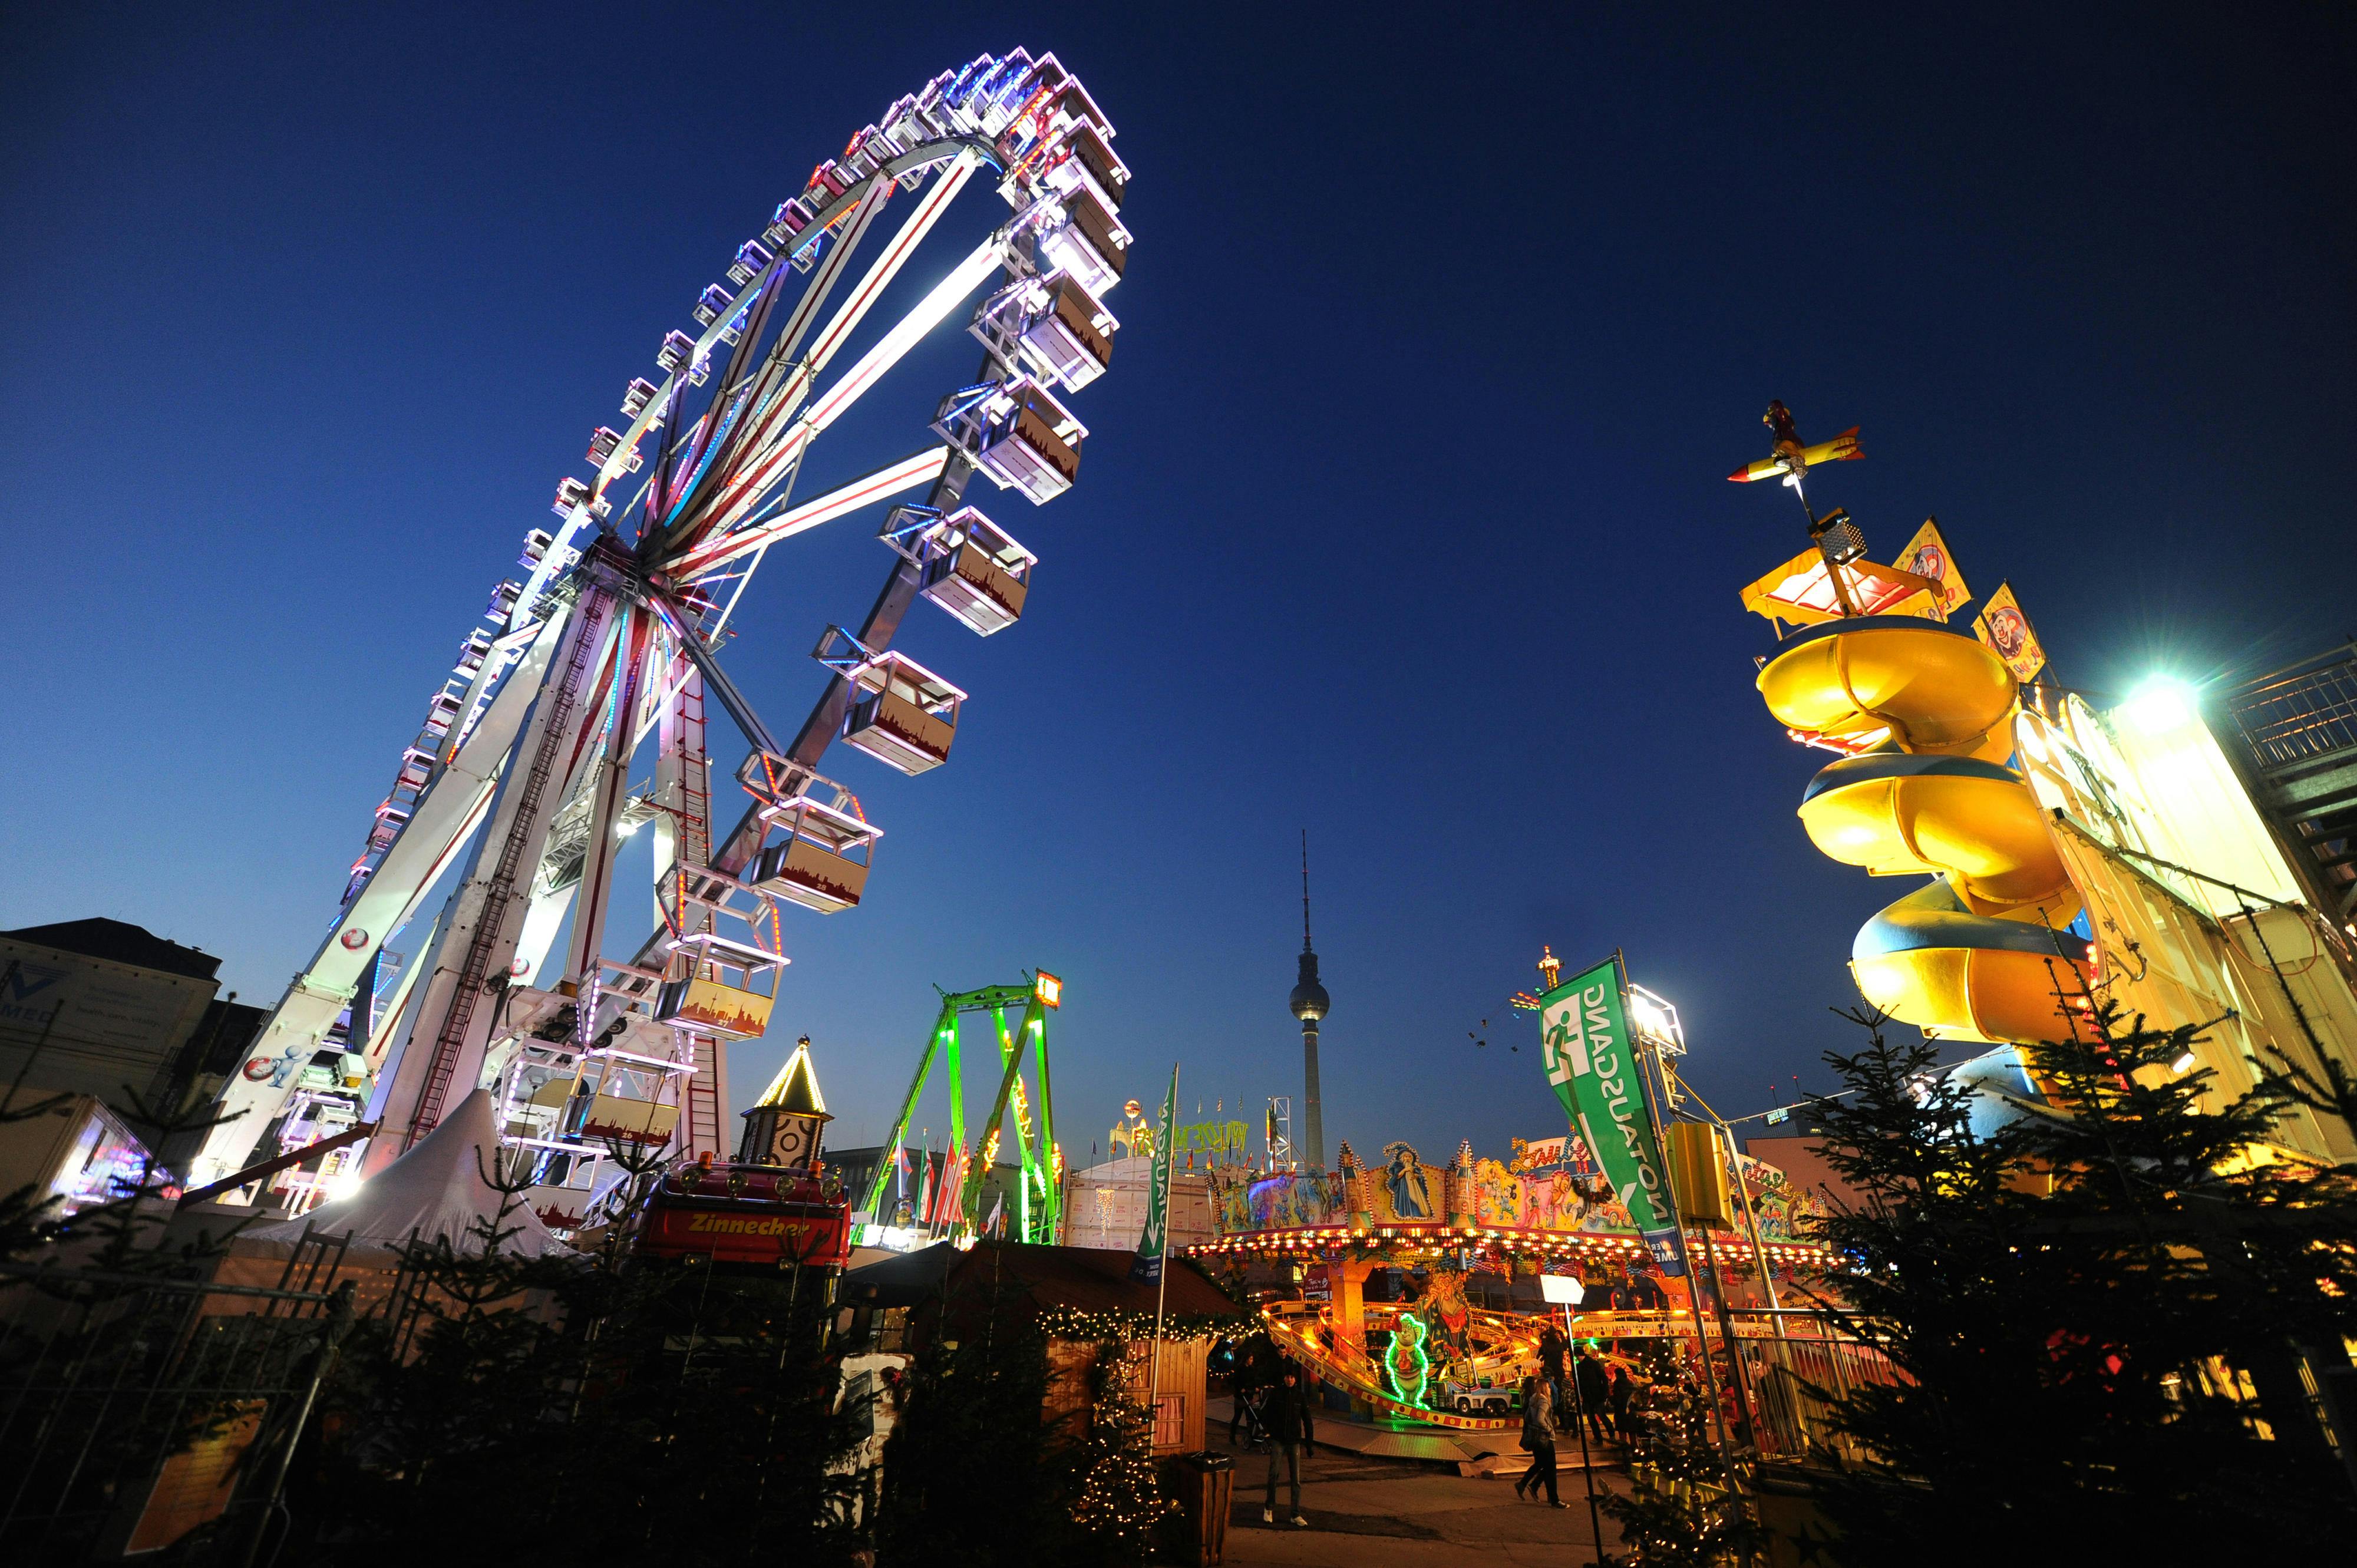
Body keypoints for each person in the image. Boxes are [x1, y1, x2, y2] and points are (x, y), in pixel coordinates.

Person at [1260, 1362, 1317, 1528]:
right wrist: (1267, 1432)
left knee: (1296, 1479)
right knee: (1274, 1474)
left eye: (1292, 1377)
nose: (1290, 1380)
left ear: (1295, 1379)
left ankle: (1295, 1513)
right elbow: (1265, 1413)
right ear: (1284, 1378)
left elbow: (1308, 1420)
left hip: (1294, 1440)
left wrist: (1309, 1444)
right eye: (1288, 1377)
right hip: (1278, 1439)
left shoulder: (1300, 1397)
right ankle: (1269, 1508)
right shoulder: (1277, 1394)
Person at [1514, 1374, 1564, 1507]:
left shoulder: (1532, 1399)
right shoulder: (1544, 1401)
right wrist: (1548, 1429)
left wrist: (1531, 1428)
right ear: (1543, 1388)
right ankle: (1553, 1498)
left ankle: (1525, 1484)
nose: (1550, 1389)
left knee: (1541, 1464)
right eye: (1548, 1387)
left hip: (1535, 1438)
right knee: (1551, 1467)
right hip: (1544, 1438)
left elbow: (1527, 1417)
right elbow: (1541, 1419)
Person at [1574, 1349, 1612, 1445]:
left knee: (1600, 1416)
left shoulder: (1591, 1365)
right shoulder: (1583, 1366)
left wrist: (1604, 1392)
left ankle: (1608, 1435)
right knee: (1592, 1418)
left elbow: (1603, 1377)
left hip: (1596, 1395)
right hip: (1590, 1396)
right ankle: (1601, 1437)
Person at [1607, 1364, 1634, 1438]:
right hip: (1630, 1410)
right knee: (1632, 1431)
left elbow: (1618, 1399)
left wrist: (1610, 1397)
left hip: (1621, 1411)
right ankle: (1634, 1446)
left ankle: (1624, 1445)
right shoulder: (1630, 1383)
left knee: (1622, 1430)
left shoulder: (1618, 1384)